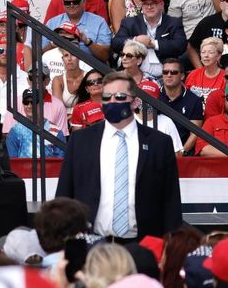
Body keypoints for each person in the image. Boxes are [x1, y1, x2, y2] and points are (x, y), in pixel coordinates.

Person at [54, 70, 184, 238]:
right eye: (107, 97)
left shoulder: (159, 143)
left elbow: (171, 199)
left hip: (144, 244)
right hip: (90, 243)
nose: (112, 102)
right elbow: (65, 192)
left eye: (120, 97)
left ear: (135, 102)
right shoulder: (80, 140)